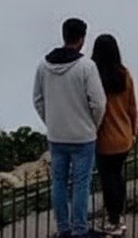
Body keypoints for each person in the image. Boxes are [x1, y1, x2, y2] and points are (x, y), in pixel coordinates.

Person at [34, 17, 107, 238]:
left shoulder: (44, 66)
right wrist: (92, 125)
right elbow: (98, 103)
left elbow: (38, 99)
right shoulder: (86, 67)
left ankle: (63, 228)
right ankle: (79, 230)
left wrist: (51, 122)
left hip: (57, 136)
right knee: (81, 184)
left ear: (64, 35)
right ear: (82, 39)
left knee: (58, 183)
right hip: (83, 136)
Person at [91, 34, 138, 237]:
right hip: (124, 137)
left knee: (108, 180)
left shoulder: (94, 77)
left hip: (104, 140)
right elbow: (132, 107)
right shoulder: (124, 74)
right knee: (117, 176)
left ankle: (114, 221)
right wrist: (134, 132)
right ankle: (118, 216)